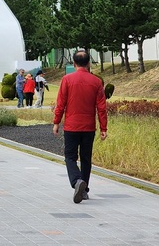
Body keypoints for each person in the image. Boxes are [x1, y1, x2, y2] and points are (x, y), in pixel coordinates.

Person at [53, 50, 108, 204]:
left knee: (70, 157)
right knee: (86, 158)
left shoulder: (67, 79)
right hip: (89, 127)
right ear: (89, 63)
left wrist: (56, 122)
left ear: (74, 63)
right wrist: (104, 128)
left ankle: (77, 182)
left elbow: (61, 104)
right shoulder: (97, 82)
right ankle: (84, 190)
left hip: (71, 126)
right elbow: (102, 108)